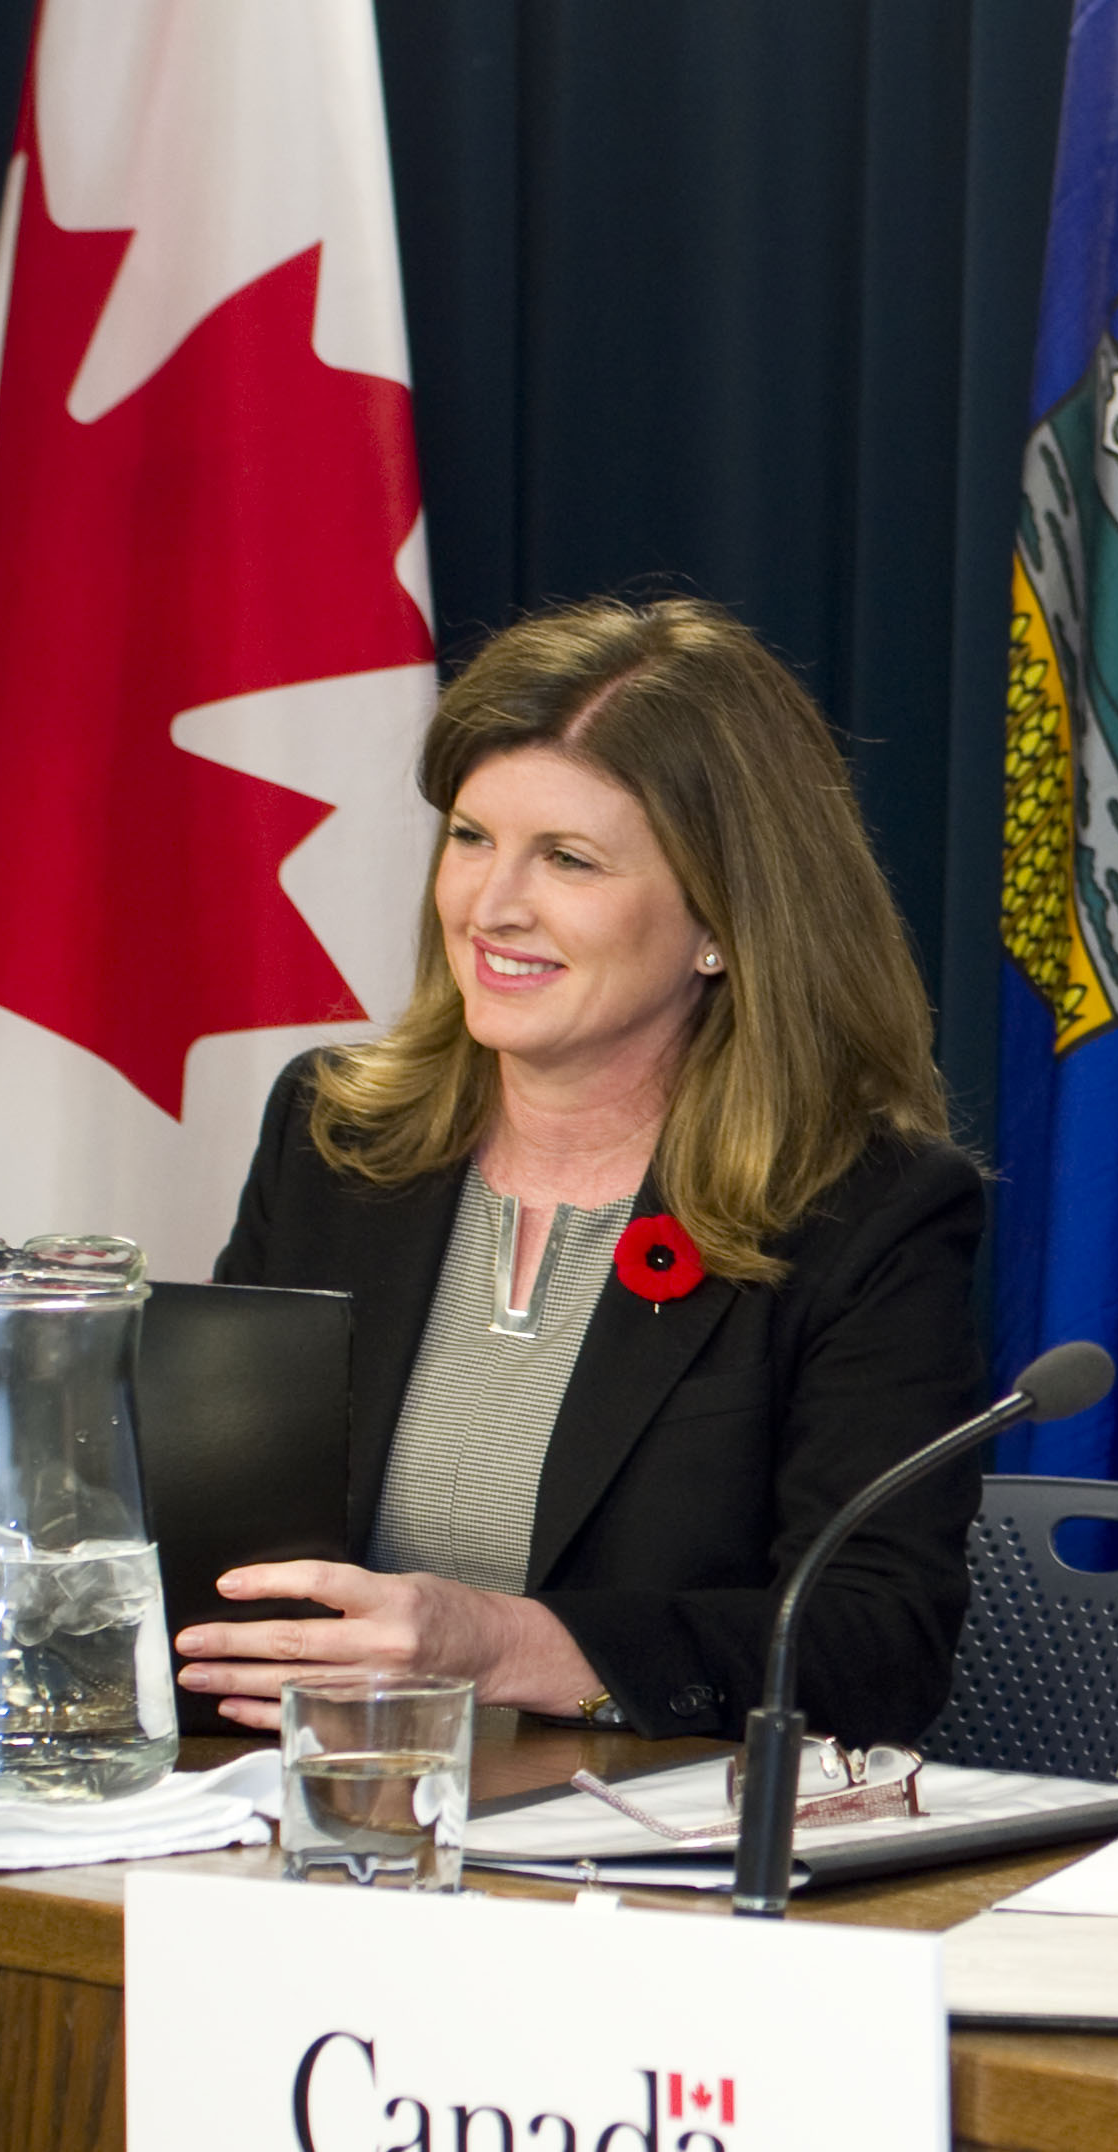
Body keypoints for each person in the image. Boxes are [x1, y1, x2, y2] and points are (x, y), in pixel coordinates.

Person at [181, 598, 988, 1747]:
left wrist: (502, 1644)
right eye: (470, 837)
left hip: (640, 1871)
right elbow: (215, 1543)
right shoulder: (334, 1137)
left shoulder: (862, 1213)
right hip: (306, 1821)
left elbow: (876, 1646)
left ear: (722, 919)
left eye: (566, 858)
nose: (490, 904)